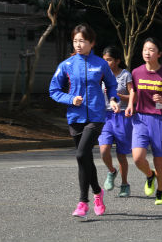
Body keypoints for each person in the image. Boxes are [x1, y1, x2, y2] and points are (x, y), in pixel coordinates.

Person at [49, 23, 120, 218]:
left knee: (81, 155)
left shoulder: (101, 64)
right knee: (85, 158)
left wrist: (113, 100)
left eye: (82, 41)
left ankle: (83, 201)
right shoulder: (66, 65)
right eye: (75, 41)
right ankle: (97, 193)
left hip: (96, 116)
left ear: (91, 42)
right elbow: (54, 90)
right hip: (75, 116)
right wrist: (70, 99)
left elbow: (111, 85)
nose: (78, 45)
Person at [125, 38, 162, 205]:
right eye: (145, 49)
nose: (147, 53)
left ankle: (161, 191)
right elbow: (133, 91)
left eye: (151, 49)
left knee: (159, 161)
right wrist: (130, 105)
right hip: (140, 118)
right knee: (137, 158)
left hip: (160, 120)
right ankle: (150, 176)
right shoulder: (136, 72)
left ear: (159, 54)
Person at [98, 46, 134, 198]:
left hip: (122, 116)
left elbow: (133, 95)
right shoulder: (100, 75)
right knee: (103, 149)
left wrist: (120, 96)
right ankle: (112, 171)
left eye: (109, 60)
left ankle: (125, 184)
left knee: (121, 155)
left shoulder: (125, 75)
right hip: (105, 116)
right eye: (104, 60)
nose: (106, 63)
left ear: (117, 60)